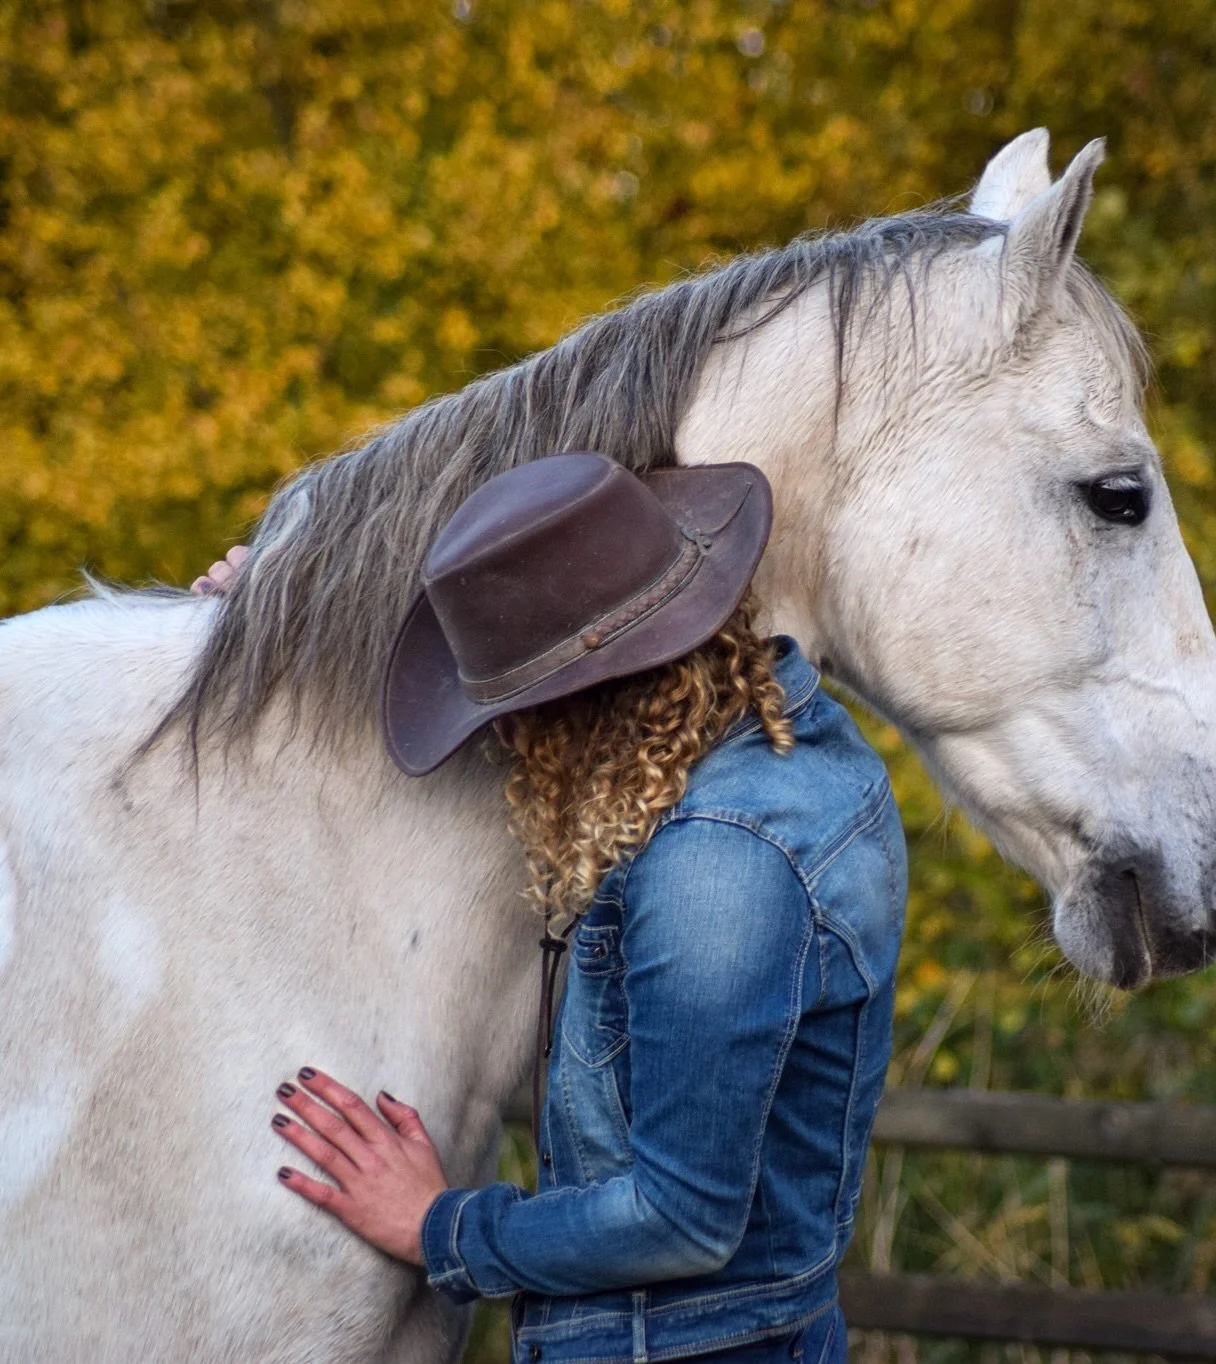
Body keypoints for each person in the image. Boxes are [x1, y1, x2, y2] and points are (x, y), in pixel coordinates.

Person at [200, 453, 907, 1364]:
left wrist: (437, 1227)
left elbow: (682, 1217)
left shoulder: (721, 869)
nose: (500, 736)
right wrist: (277, 634)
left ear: (594, 698)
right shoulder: (786, 742)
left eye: (518, 707)